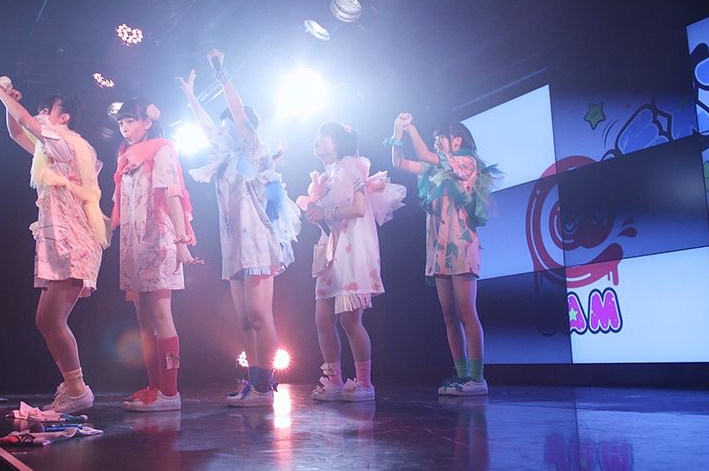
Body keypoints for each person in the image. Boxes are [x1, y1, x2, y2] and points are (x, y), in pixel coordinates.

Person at [180, 49, 302, 407]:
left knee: (260, 317)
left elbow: (237, 110)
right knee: (245, 321)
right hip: (233, 244)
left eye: (227, 125)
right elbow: (207, 126)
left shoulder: (253, 150)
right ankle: (253, 383)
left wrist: (221, 72)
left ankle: (265, 388)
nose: (220, 131)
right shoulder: (222, 159)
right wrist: (190, 95)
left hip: (258, 242)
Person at [0, 80, 109, 414]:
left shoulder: (68, 143)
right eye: (41, 109)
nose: (42, 114)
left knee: (53, 321)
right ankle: (72, 387)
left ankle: (78, 391)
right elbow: (17, 132)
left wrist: (1, 93)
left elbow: (26, 121)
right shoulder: (49, 149)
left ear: (64, 117)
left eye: (48, 110)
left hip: (75, 243)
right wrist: (7, 104)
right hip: (60, 240)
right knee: (45, 320)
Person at [388, 113, 499, 396]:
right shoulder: (434, 170)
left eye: (441, 138)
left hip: (460, 245)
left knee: (465, 311)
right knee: (449, 315)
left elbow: (424, 154)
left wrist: (411, 127)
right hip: (439, 248)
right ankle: (462, 377)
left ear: (457, 140)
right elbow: (399, 163)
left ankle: (478, 379)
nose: (437, 142)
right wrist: (397, 132)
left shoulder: (467, 161)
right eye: (436, 138)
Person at [297, 122, 405, 402]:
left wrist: (326, 211)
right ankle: (334, 381)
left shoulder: (350, 167)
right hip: (332, 250)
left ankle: (365, 384)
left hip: (352, 249)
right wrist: (317, 213)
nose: (316, 139)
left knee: (350, 320)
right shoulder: (327, 176)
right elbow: (331, 214)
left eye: (322, 135)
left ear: (338, 143)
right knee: (323, 319)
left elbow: (357, 208)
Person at [111, 98, 202, 412]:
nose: (125, 128)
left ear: (147, 122)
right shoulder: (126, 157)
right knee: (144, 319)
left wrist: (182, 241)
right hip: (134, 244)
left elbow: (174, 195)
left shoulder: (162, 150)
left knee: (162, 316)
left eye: (131, 121)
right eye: (121, 123)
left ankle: (170, 394)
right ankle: (154, 388)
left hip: (158, 240)